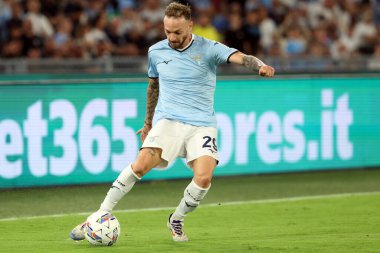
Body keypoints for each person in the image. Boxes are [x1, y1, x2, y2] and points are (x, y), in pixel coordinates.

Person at [70, 1, 275, 243]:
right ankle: (99, 214)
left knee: (204, 178)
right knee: (139, 165)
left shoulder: (209, 48)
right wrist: (147, 124)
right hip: (168, 121)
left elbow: (241, 57)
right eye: (167, 31)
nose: (172, 37)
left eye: (177, 32)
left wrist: (260, 66)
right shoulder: (156, 51)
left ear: (190, 25)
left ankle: (176, 218)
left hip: (202, 124)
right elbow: (153, 86)